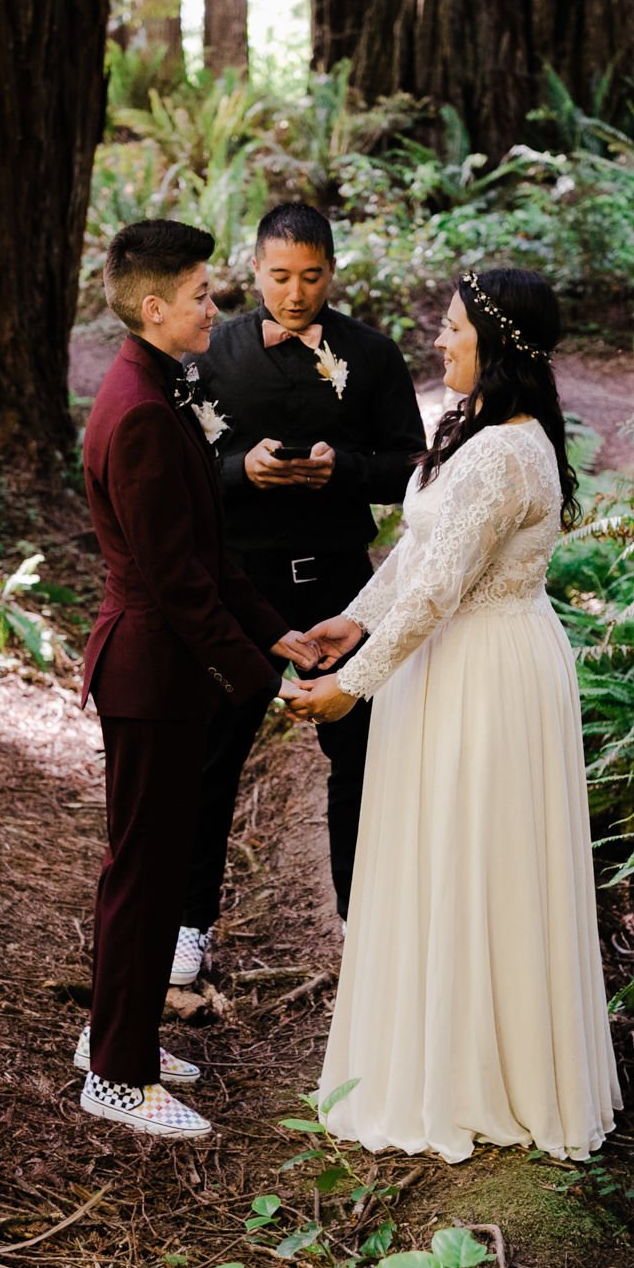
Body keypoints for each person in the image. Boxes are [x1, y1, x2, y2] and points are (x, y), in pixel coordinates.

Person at [283, 268, 621, 1163]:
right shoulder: (481, 433)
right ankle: (449, 1051)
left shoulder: (508, 452)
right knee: (446, 853)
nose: (441, 341)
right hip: (460, 656)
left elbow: (438, 592)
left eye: (455, 328)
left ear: (497, 344)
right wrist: (356, 615)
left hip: (483, 671)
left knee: (477, 857)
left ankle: (479, 1076)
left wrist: (352, 684)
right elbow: (420, 550)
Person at [78, 219, 318, 1140]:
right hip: (150, 671)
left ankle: (120, 1029)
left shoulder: (162, 384)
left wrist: (281, 638)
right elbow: (176, 582)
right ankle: (116, 1072)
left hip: (170, 667)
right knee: (144, 874)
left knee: (154, 864)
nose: (212, 307)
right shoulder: (139, 410)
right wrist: (258, 677)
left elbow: (210, 557)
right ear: (152, 306)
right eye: (198, 295)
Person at [177, 203, 424, 980]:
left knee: (360, 751)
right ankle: (190, 922)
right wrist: (237, 470)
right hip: (242, 581)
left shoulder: (372, 355)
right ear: (255, 271)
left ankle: (361, 917)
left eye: (311, 277)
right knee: (213, 752)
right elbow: (176, 468)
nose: (295, 293)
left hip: (344, 585)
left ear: (332, 272)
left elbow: (413, 468)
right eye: (280, 277)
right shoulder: (210, 353)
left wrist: (342, 468)